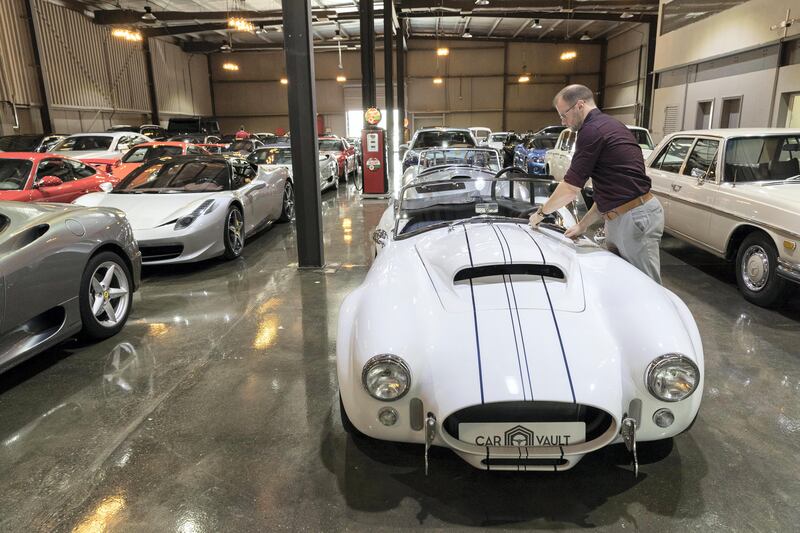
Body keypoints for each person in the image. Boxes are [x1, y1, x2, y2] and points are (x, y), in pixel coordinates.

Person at [529, 84, 665, 284]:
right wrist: (583, 225)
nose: (563, 121)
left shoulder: (591, 131)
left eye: (563, 114)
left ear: (580, 105)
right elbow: (610, 191)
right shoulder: (609, 125)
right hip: (624, 216)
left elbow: (570, 188)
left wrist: (540, 214)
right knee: (623, 283)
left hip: (635, 217)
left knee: (646, 288)